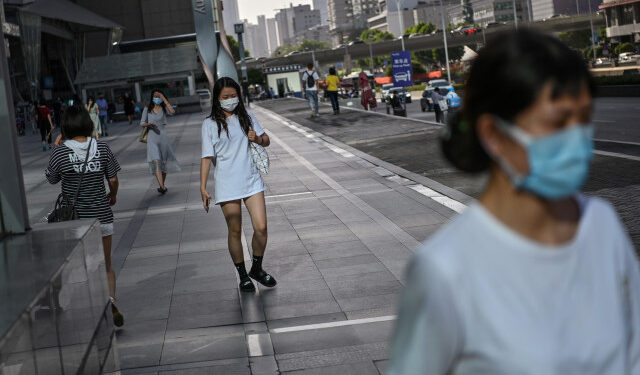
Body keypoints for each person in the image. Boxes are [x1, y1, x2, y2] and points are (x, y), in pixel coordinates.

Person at [388, 29, 640, 375]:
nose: (577, 137)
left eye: (583, 119)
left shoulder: (601, 223)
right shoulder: (444, 270)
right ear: (494, 135)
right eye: (558, 121)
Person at [45, 103, 124, 327]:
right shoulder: (102, 148)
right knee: (106, 265)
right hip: (102, 216)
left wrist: (56, 148)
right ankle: (110, 300)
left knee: (75, 266)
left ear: (66, 127)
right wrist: (113, 195)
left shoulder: (61, 152)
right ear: (88, 124)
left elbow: (51, 179)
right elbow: (113, 180)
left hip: (75, 220)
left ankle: (80, 306)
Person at [200, 77, 277, 293]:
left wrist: (257, 139)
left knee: (261, 227)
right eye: (225, 97)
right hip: (227, 183)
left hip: (251, 179)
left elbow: (266, 139)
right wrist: (203, 187)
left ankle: (257, 268)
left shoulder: (247, 116)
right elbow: (206, 157)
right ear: (217, 99)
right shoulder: (209, 124)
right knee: (234, 230)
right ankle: (243, 275)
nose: (230, 100)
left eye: (233, 96)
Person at [140, 90, 180, 194]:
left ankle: (162, 185)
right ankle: (162, 187)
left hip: (163, 138)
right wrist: (149, 125)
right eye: (155, 96)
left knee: (164, 164)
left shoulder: (164, 107)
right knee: (156, 161)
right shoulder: (147, 108)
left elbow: (172, 112)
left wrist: (164, 98)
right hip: (152, 138)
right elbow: (142, 123)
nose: (156, 98)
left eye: (158, 96)